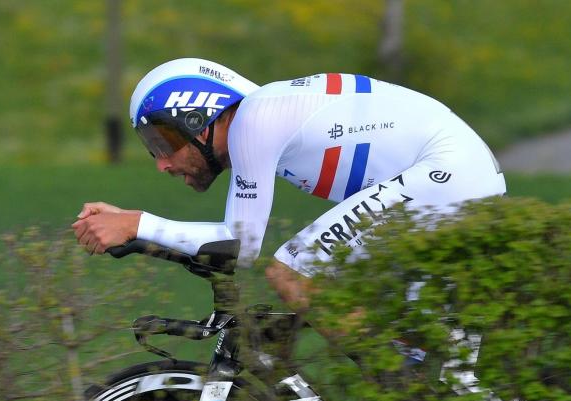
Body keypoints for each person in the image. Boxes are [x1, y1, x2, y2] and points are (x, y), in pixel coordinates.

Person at [72, 57, 506, 313]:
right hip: (454, 174)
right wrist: (136, 226)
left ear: (198, 118)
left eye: (162, 142)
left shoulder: (255, 121)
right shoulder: (264, 121)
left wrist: (136, 223)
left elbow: (240, 245)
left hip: (448, 170)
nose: (162, 165)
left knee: (293, 272)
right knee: (418, 345)